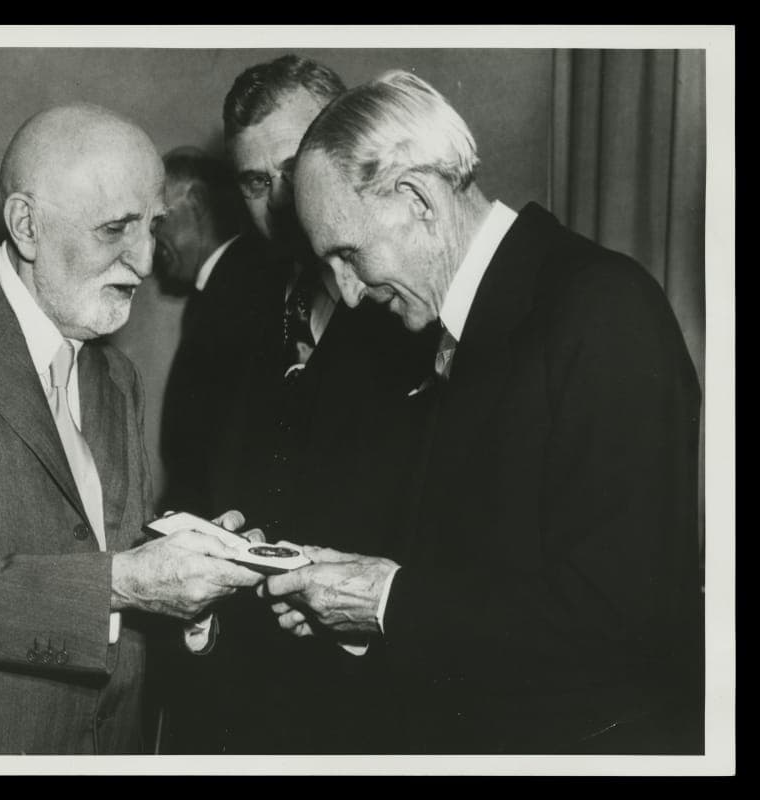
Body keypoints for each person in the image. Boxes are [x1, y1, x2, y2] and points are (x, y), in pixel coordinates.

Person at [265, 70, 705, 754]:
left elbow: (625, 618)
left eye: (348, 255)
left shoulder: (602, 309)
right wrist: (357, 608)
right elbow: (487, 579)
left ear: (417, 199)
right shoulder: (470, 327)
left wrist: (387, 601)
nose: (346, 296)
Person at [0, 103, 266, 755]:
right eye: (116, 229)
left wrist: (194, 588)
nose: (144, 261)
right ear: (26, 226)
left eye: (153, 227)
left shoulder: (116, 378)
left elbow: (102, 570)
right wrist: (131, 580)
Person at [162, 56, 427, 754]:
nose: (281, 199)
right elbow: (191, 471)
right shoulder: (230, 298)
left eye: (297, 163)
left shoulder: (414, 302)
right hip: (245, 701)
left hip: (384, 703)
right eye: (257, 180)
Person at [154, 147, 269, 517]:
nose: (150, 244)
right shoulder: (213, 293)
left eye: (158, 222)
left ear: (198, 202)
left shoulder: (249, 284)